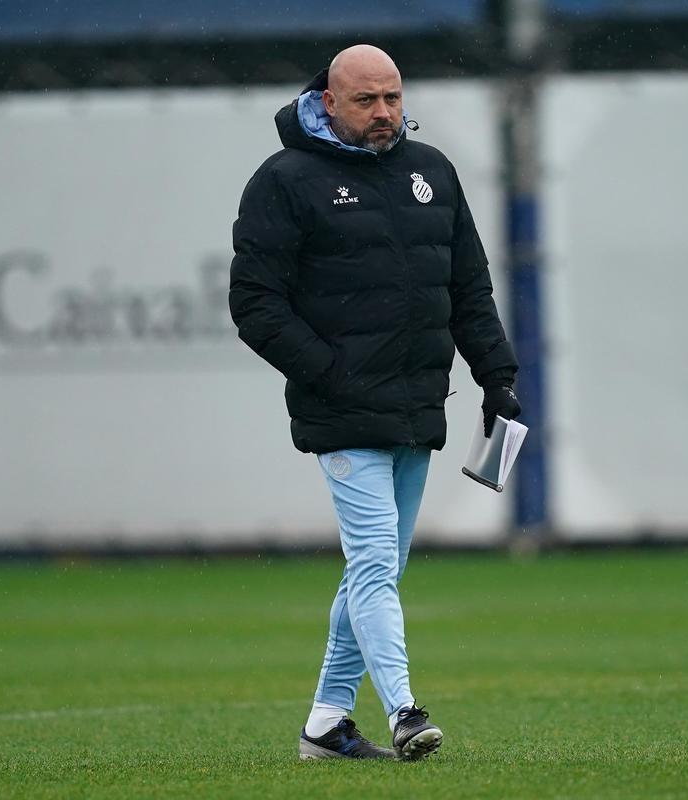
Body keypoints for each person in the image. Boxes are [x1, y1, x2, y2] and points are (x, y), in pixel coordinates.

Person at [229, 44, 521, 761]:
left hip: (417, 402)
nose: (385, 112)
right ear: (327, 102)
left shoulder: (432, 171)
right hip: (341, 411)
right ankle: (404, 711)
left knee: (376, 570)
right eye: (366, 100)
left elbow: (468, 291)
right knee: (372, 563)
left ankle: (327, 726)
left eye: (392, 97)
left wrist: (498, 378)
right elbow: (254, 303)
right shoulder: (285, 181)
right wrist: (329, 373)